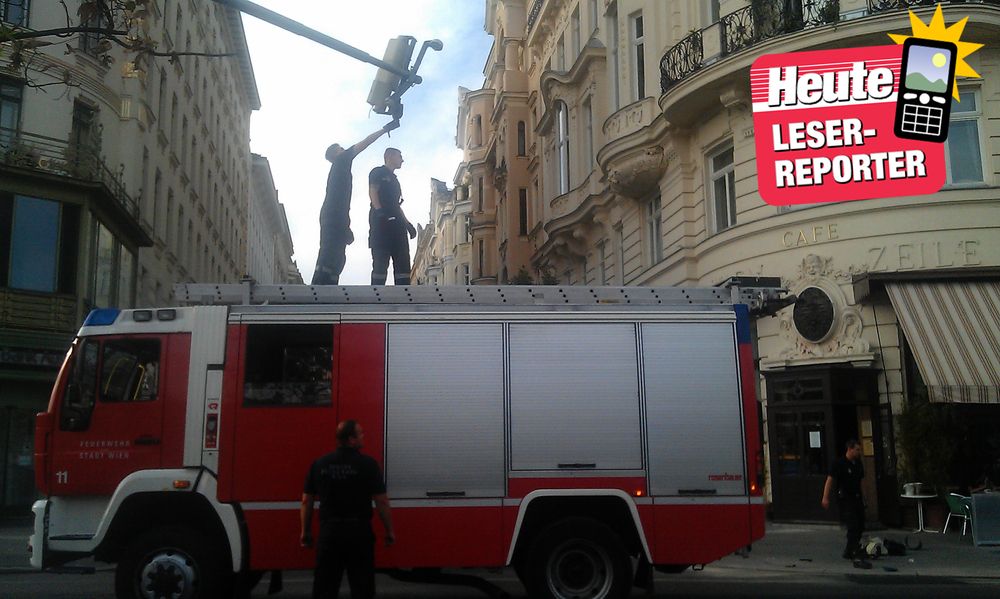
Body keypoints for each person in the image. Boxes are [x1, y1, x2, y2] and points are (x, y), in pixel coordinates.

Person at [301, 420, 395, 599]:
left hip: (330, 533)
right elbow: (382, 501)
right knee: (362, 587)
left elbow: (307, 501)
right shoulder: (368, 465)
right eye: (361, 434)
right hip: (359, 534)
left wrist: (305, 531)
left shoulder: (319, 464)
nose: (363, 437)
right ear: (351, 439)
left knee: (325, 588)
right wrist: (389, 530)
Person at [312, 121, 399, 285]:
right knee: (328, 254)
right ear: (336, 154)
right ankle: (317, 289)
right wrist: (384, 129)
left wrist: (346, 227)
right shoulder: (341, 160)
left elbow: (341, 205)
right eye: (341, 149)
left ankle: (329, 288)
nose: (345, 150)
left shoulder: (340, 169)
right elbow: (365, 142)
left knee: (337, 257)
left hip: (337, 217)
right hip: (333, 216)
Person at [368, 147, 417, 285]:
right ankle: (376, 292)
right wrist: (379, 212)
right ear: (389, 156)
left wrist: (407, 224)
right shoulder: (378, 172)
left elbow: (396, 205)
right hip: (381, 224)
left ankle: (403, 292)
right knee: (380, 261)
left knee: (403, 262)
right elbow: (373, 191)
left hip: (397, 224)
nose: (402, 160)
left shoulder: (395, 180)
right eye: (399, 156)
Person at [821, 439, 870, 568]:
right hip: (846, 498)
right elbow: (830, 480)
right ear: (850, 449)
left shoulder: (858, 463)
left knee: (861, 524)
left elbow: (862, 481)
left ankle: (849, 549)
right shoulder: (839, 463)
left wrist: (865, 497)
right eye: (857, 450)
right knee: (852, 525)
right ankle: (854, 550)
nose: (859, 452)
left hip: (857, 497)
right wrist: (825, 497)